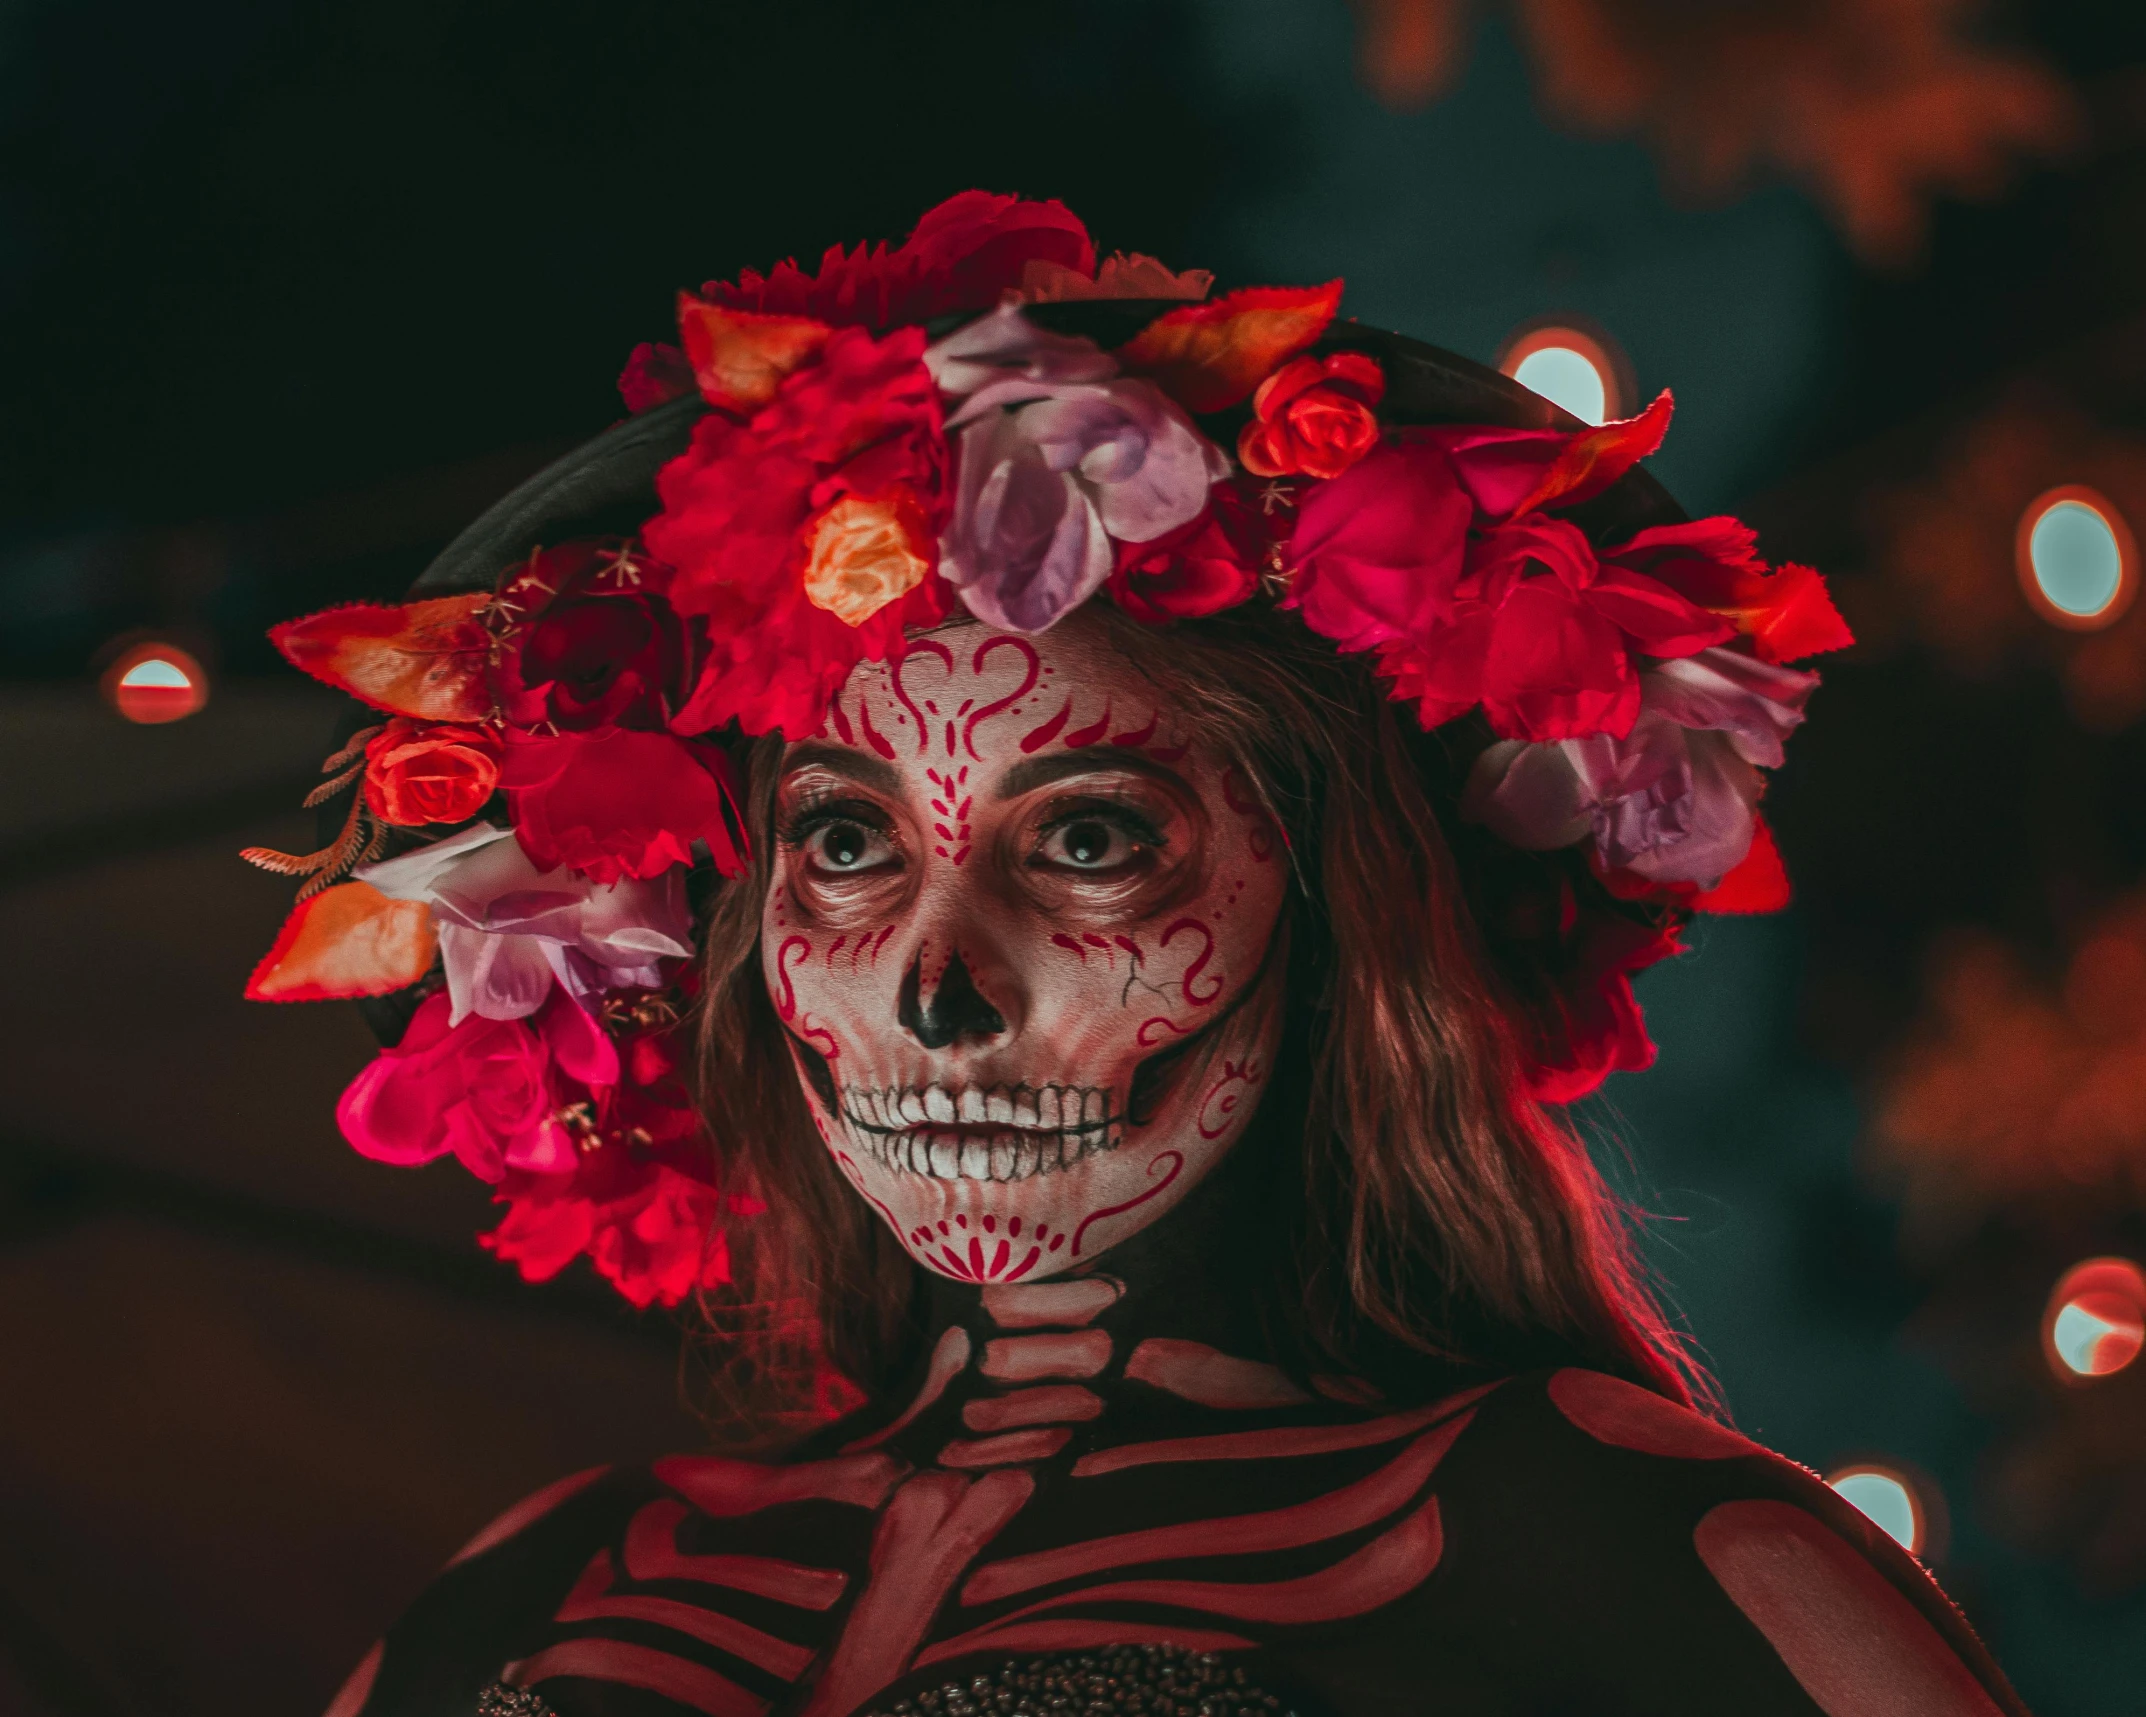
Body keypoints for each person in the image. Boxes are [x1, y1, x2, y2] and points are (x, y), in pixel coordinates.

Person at [248, 195, 2028, 1716]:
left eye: (1089, 843)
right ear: (735, 934)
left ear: (1346, 915)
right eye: (848, 846)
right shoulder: (530, 1574)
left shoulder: (1639, 1550)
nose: (937, 991)